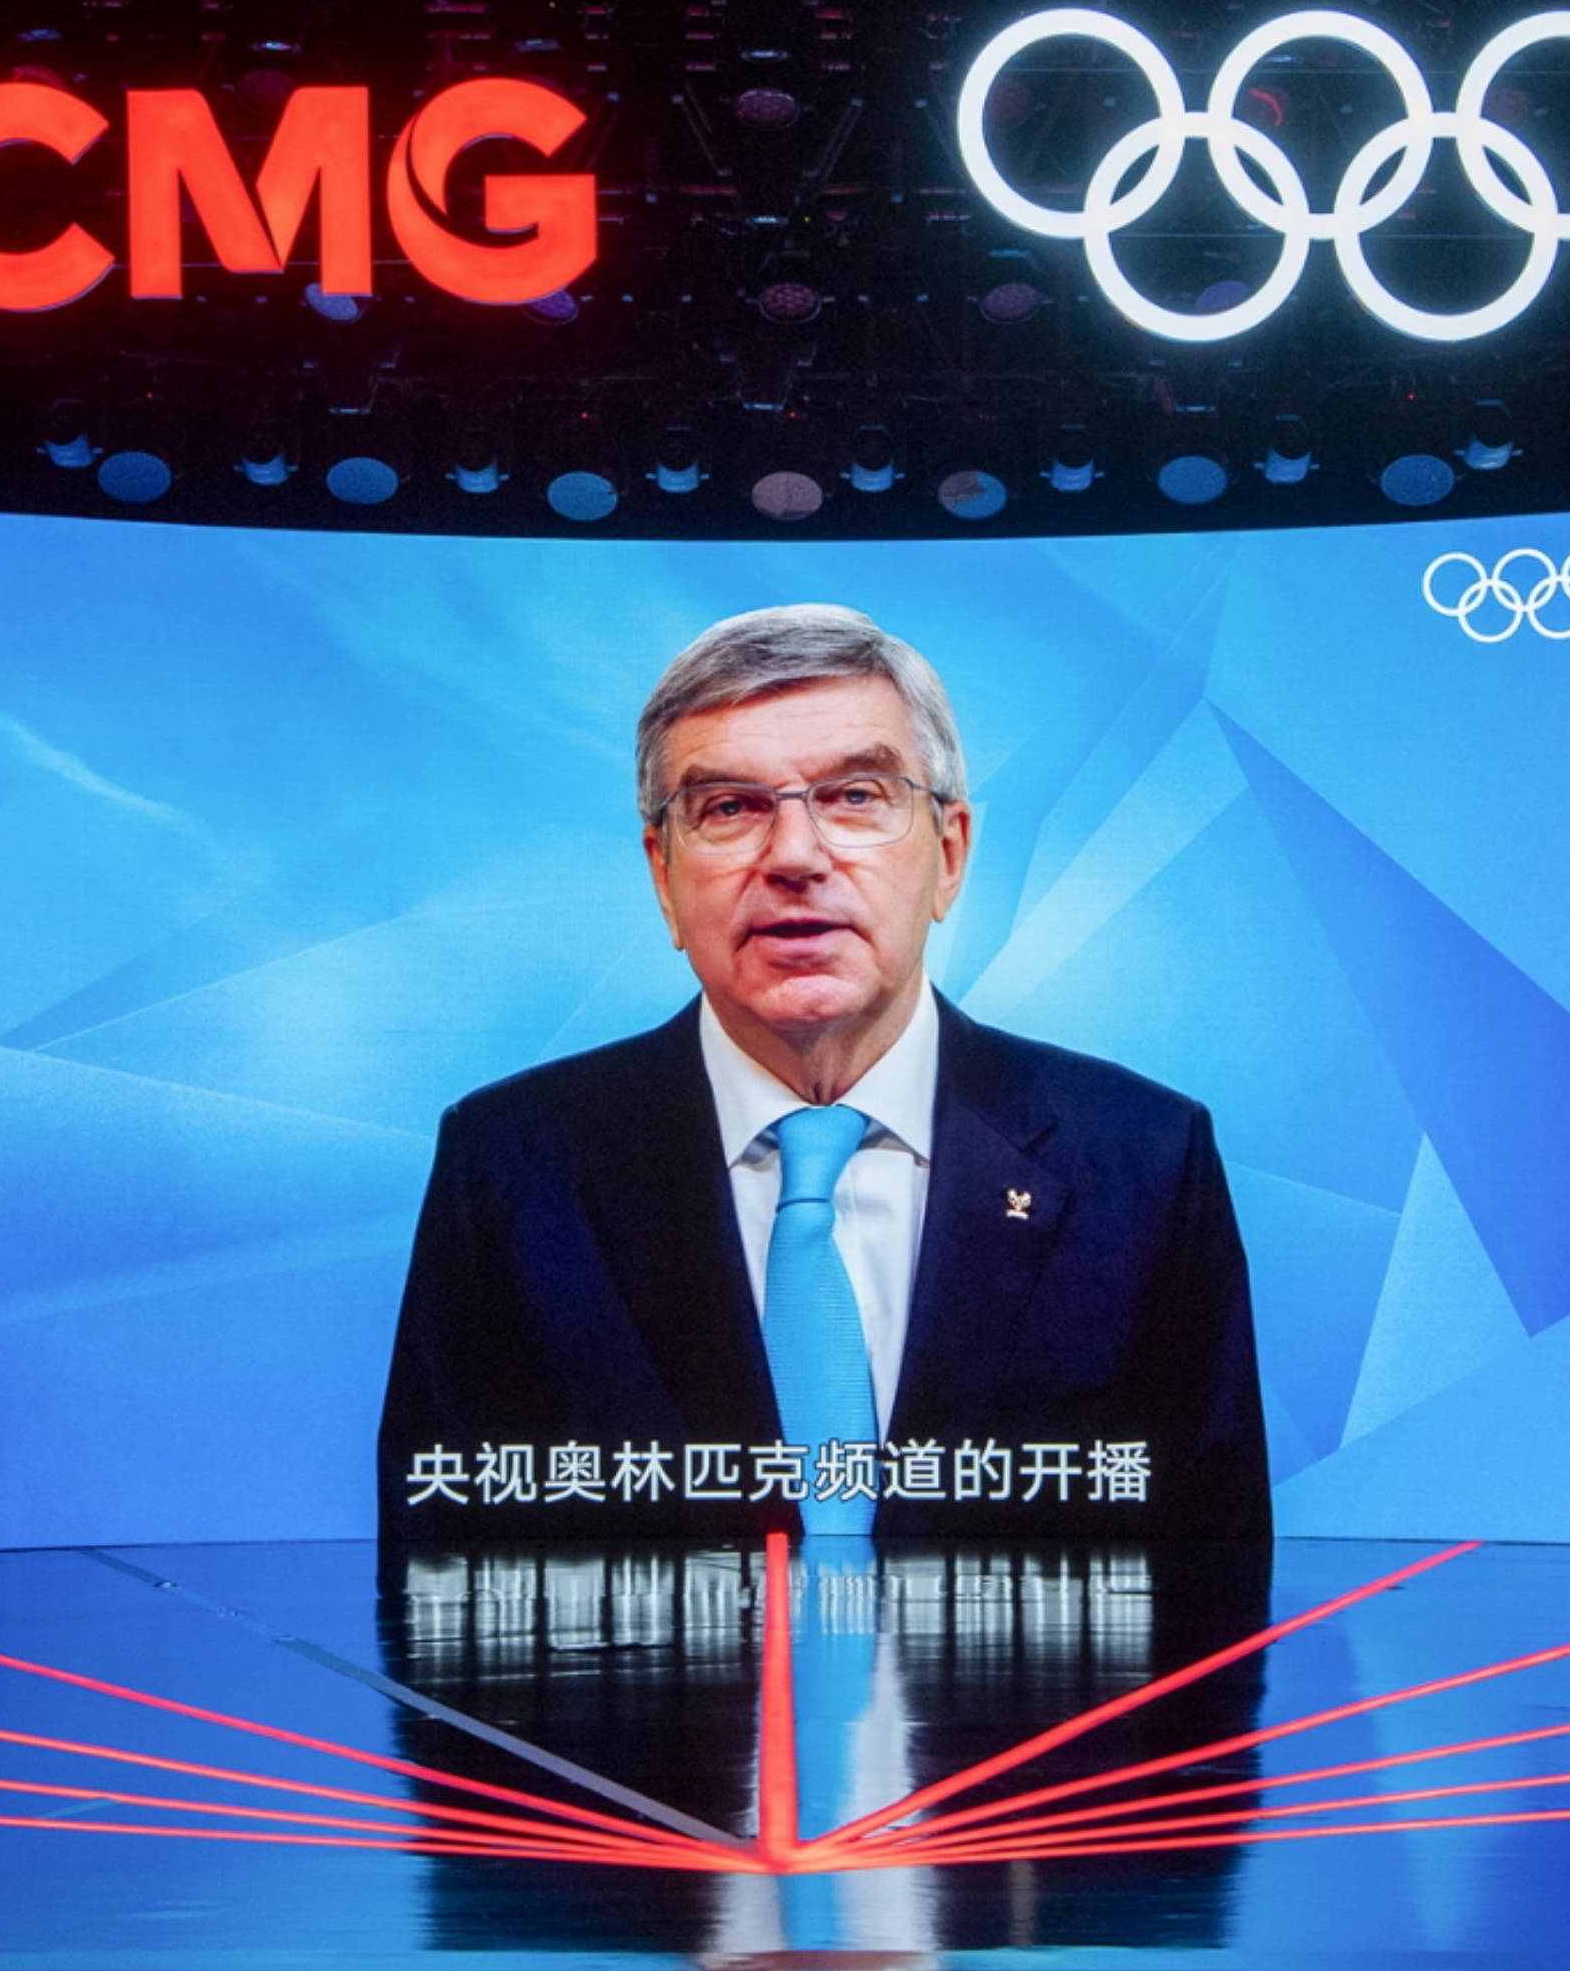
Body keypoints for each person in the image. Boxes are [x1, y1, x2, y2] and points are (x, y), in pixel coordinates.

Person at [377, 604, 1266, 1542]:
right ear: (662, 873)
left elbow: (1212, 1575)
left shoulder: (1142, 1160)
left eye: (855, 795)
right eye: (729, 807)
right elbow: (443, 1574)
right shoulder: (510, 1170)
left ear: (948, 854)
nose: (795, 856)